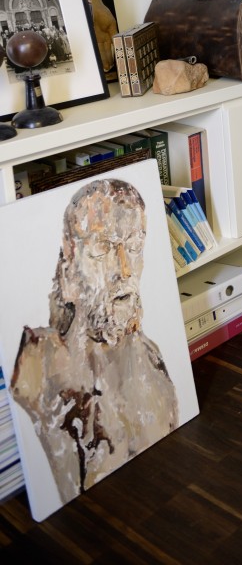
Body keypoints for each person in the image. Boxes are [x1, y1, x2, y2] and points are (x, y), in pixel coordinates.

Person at [10, 178, 178, 503]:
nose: (125, 270)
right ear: (70, 268)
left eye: (134, 247)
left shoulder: (153, 361)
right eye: (103, 248)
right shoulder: (37, 361)